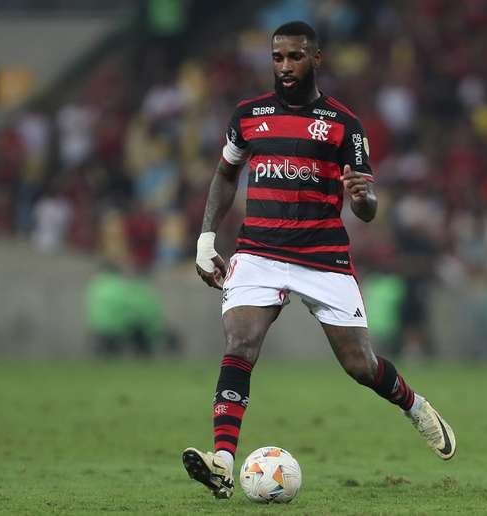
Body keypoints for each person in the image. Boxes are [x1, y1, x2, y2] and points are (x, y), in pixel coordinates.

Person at [182, 21, 456, 499]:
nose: (285, 66)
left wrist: (363, 197)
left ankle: (415, 407)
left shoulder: (343, 125)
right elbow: (225, 176)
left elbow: (366, 210)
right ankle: (222, 461)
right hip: (259, 252)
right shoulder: (248, 116)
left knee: (361, 365)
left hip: (322, 257)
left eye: (295, 57)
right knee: (240, 342)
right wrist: (207, 238)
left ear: (316, 58)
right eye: (278, 57)